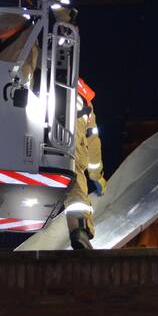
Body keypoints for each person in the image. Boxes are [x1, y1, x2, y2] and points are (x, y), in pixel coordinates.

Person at [66, 78, 106, 249]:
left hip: (30, 138)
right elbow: (93, 143)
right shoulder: (85, 98)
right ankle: (79, 231)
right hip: (69, 146)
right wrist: (97, 177)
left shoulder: (40, 71)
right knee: (75, 185)